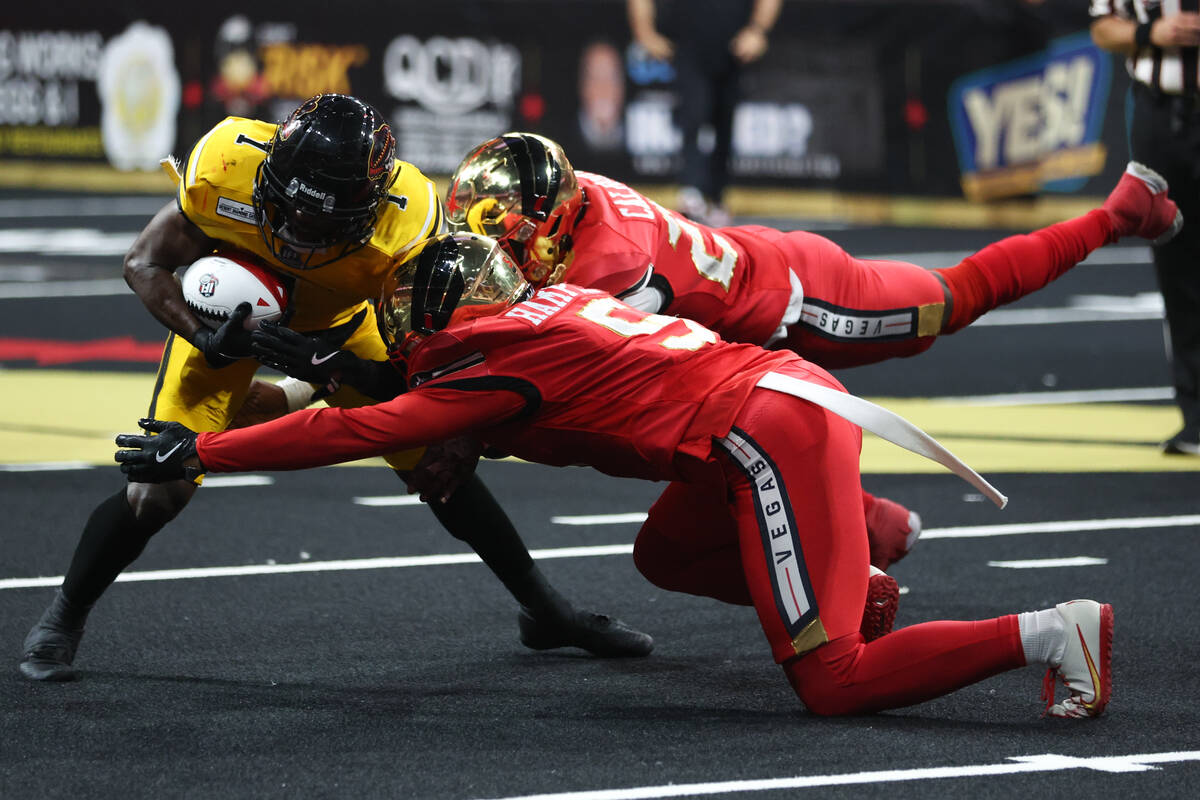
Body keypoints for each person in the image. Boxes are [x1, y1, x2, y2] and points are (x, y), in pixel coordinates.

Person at [115, 233, 1114, 719]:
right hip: (764, 407)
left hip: (767, 427)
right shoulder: (542, 303)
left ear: (447, 312)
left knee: (831, 680)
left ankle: (1047, 632)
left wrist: (196, 446)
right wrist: (292, 343)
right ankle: (863, 573)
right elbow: (374, 385)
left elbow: (355, 426)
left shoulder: (490, 364)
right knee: (666, 549)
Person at [18, 94, 651, 683]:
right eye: (288, 212)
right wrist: (202, 335)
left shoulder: (407, 221)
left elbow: (431, 340)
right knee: (156, 492)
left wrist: (348, 373)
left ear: (368, 206)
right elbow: (144, 262)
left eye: (323, 226)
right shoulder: (226, 163)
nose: (298, 233)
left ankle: (548, 611)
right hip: (227, 328)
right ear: (269, 176)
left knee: (440, 464)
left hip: (351, 328)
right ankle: (65, 614)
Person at [441, 131, 1183, 568]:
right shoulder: (573, 197)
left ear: (555, 223)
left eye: (507, 240)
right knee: (712, 467)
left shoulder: (612, 269)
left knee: (952, 300)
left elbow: (564, 375)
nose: (497, 255)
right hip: (739, 307)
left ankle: (1119, 215)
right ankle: (865, 524)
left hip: (799, 305)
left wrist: (468, 428)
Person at [1090, 3, 1200, 456]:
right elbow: (1103, 29)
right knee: (1176, 261)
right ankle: (1195, 415)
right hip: (1160, 112)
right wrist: (1153, 31)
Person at [626, 0, 782, 226]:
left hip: (733, 47)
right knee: (693, 115)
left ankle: (717, 198)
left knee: (725, 122)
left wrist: (758, 30)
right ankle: (691, 192)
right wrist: (644, 32)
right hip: (688, 45)